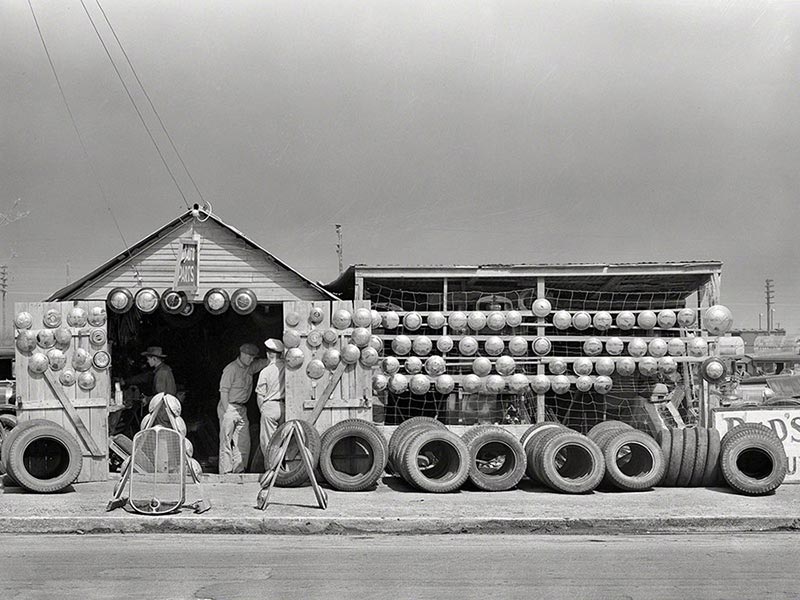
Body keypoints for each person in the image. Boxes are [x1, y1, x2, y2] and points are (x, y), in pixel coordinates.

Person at [218, 343, 269, 474]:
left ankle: (239, 469)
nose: (252, 360)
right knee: (226, 441)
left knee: (243, 441)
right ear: (243, 355)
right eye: (250, 357)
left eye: (253, 358)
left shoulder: (249, 368)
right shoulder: (231, 369)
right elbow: (223, 391)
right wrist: (227, 410)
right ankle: (226, 472)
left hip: (241, 409)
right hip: (229, 406)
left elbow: (265, 363)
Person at [255, 338, 286, 464]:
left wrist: (262, 409)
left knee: (268, 441)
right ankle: (283, 468)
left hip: (270, 406)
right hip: (284, 406)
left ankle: (271, 468)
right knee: (283, 439)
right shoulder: (287, 368)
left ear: (268, 354)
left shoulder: (265, 371)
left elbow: (260, 395)